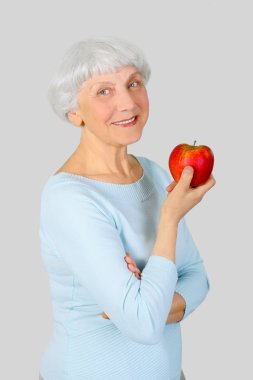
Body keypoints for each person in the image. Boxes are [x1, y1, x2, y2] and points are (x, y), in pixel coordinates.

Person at [38, 37, 216, 380]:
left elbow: (198, 277)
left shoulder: (153, 172)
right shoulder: (69, 199)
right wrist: (170, 217)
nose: (128, 102)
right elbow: (143, 325)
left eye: (134, 83)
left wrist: (148, 299)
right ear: (74, 112)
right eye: (104, 91)